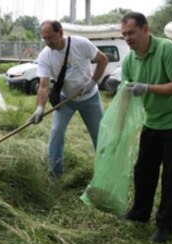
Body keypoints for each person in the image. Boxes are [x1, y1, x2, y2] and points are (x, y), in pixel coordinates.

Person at [120, 12, 172, 243]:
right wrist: (118, 128)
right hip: (153, 120)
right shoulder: (129, 61)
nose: (127, 38)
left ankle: (165, 226)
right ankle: (140, 212)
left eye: (131, 32)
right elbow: (124, 97)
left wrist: (147, 88)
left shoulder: (168, 49)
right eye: (123, 34)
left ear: (145, 29)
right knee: (144, 169)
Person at [30, 20, 108, 177]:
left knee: (100, 134)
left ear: (60, 32)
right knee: (56, 132)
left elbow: (103, 60)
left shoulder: (80, 44)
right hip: (65, 100)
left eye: (50, 37)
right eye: (44, 38)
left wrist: (92, 82)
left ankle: (105, 171)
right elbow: (44, 86)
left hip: (90, 98)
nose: (47, 42)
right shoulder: (45, 56)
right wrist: (40, 108)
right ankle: (55, 173)